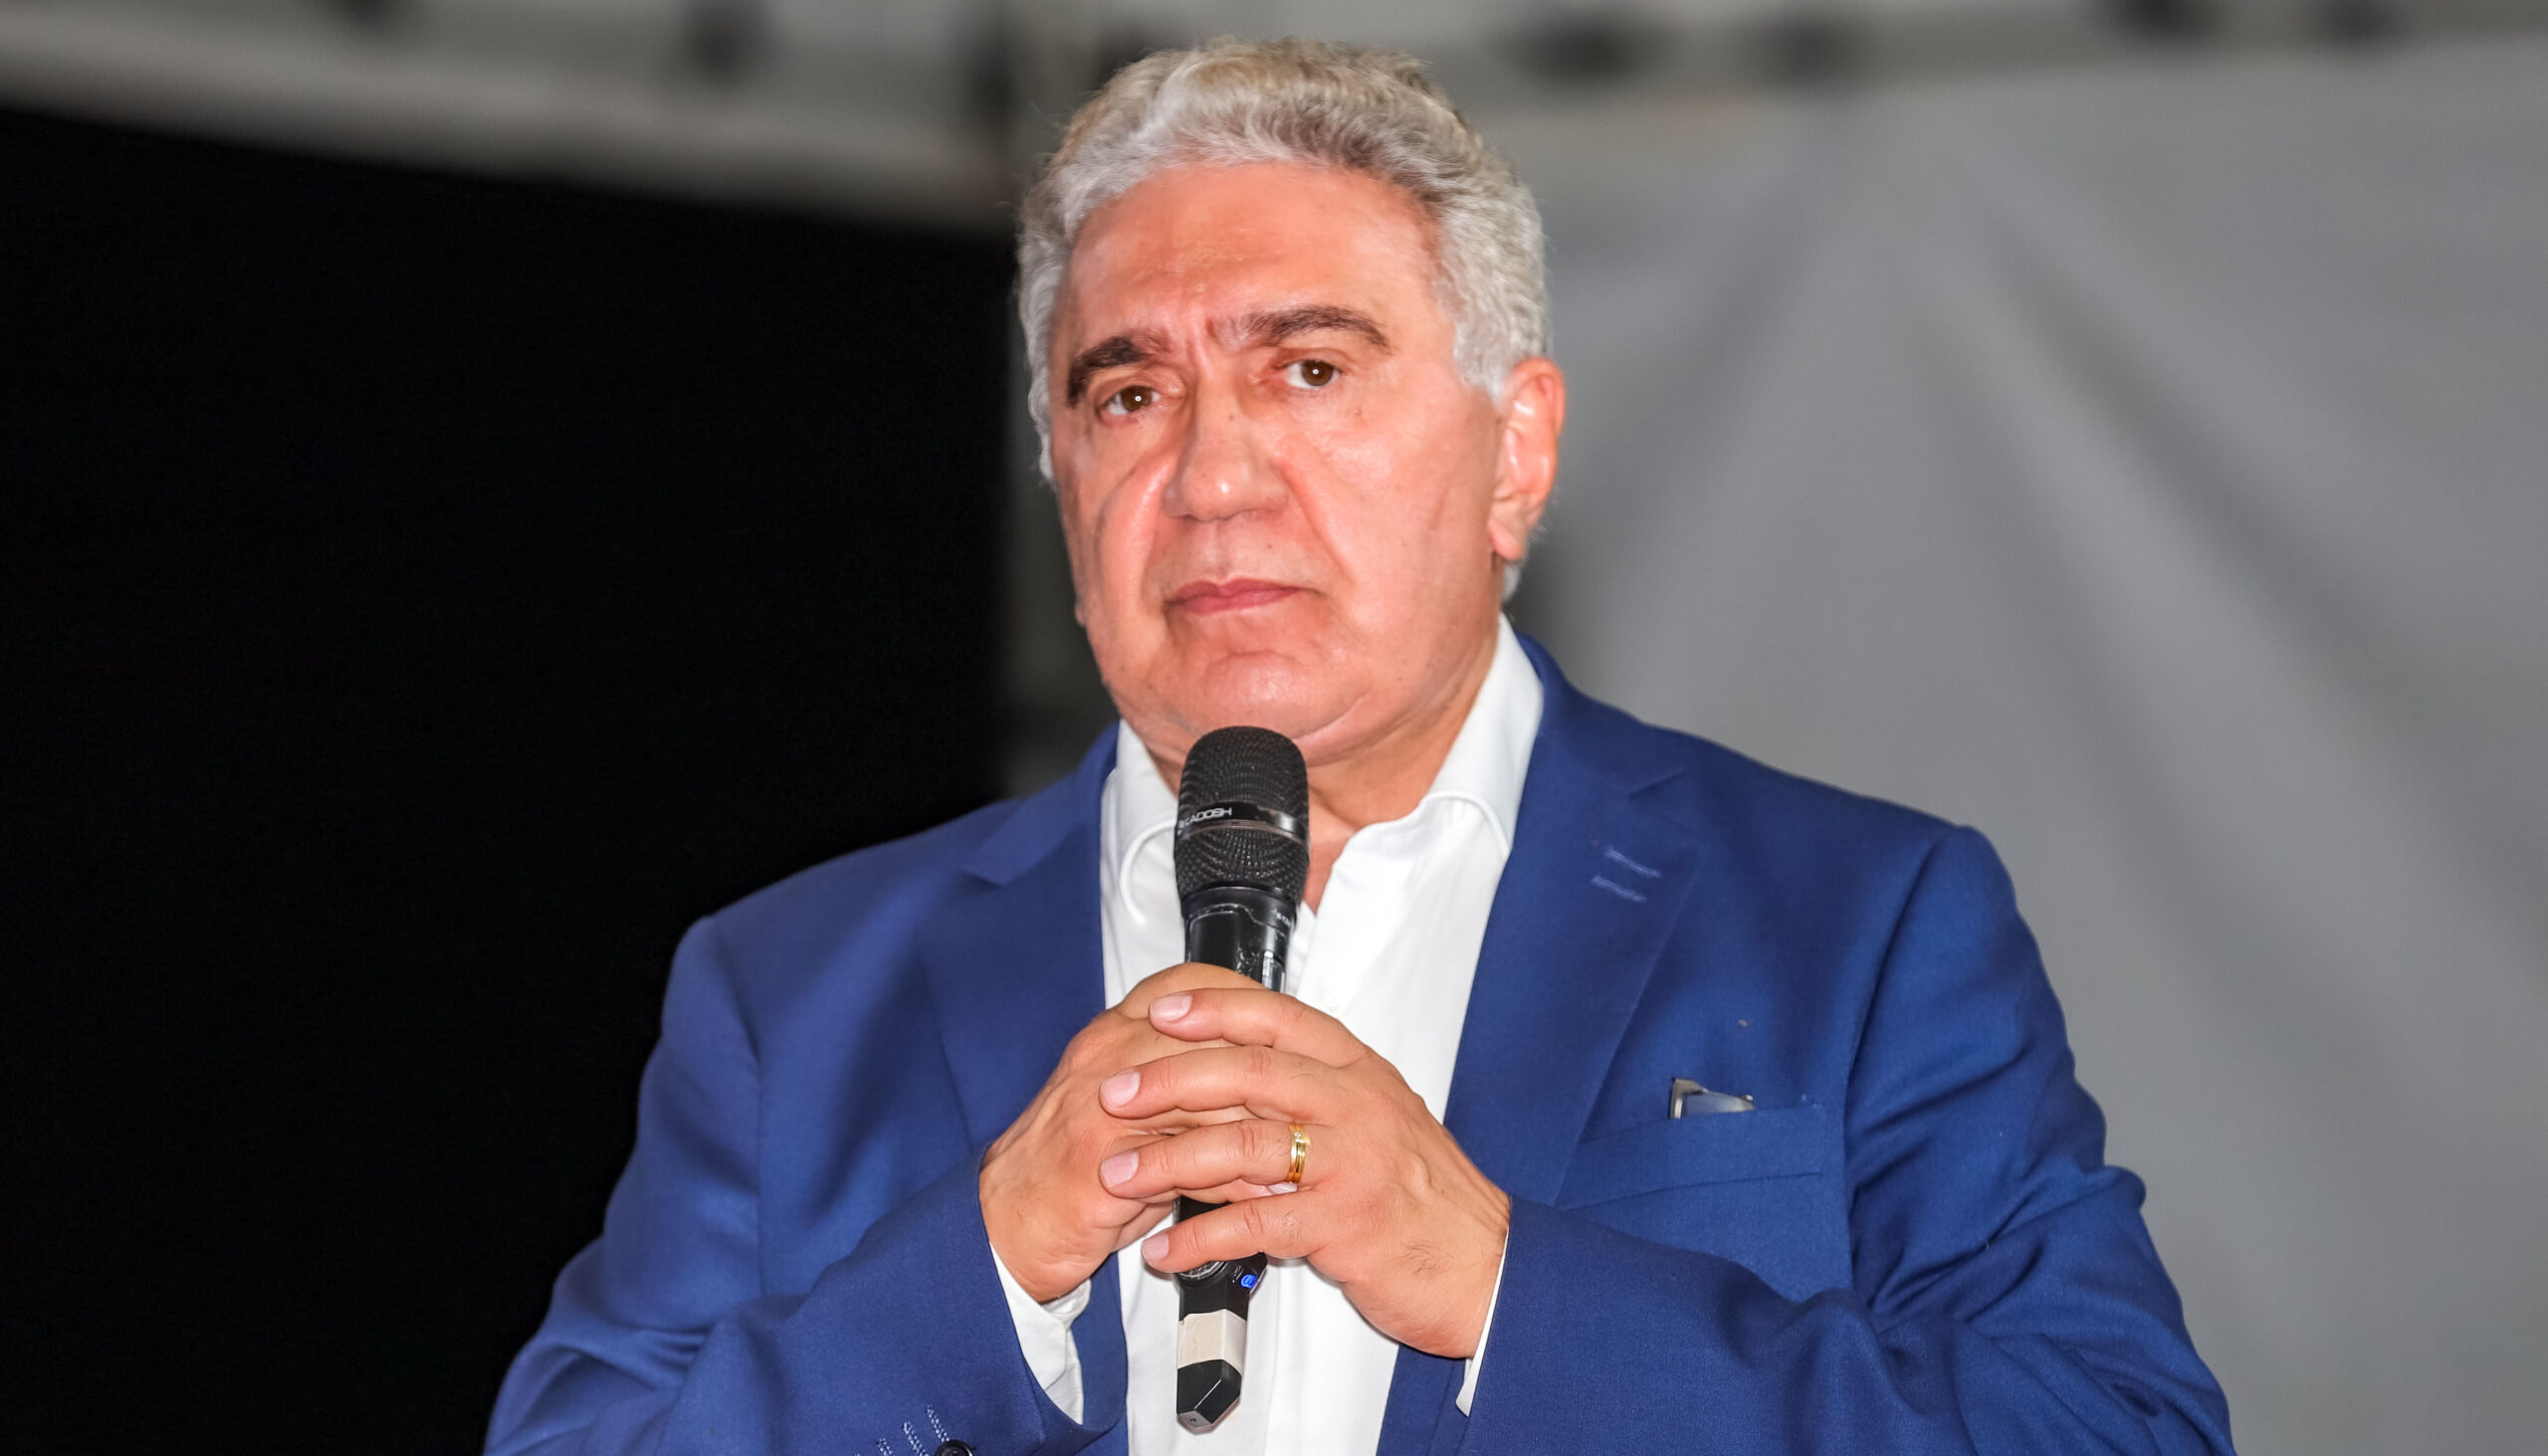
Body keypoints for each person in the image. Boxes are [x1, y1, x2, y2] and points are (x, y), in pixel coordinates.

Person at [486, 38, 2232, 1456]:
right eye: (1128, 393)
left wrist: (1494, 1281)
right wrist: (990, 1262)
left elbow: (2109, 1432)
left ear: (1515, 453)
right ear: (1060, 483)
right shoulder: (793, 994)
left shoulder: (1854, 925)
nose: (1212, 474)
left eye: (1308, 370)